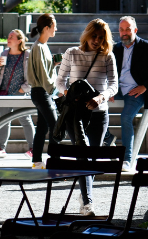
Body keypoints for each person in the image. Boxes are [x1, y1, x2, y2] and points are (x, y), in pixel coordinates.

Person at [55, 19, 119, 217]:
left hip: (99, 113)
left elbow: (114, 85)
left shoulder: (107, 56)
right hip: (75, 115)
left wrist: (100, 98)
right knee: (82, 156)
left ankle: (84, 197)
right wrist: (69, 94)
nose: (97, 40)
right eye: (94, 36)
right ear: (87, 34)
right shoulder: (71, 53)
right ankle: (88, 201)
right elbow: (59, 81)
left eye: (101, 37)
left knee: (91, 157)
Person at [101, 16, 148, 172]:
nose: (124, 33)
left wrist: (144, 87)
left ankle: (126, 160)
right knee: (92, 105)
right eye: (122, 29)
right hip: (117, 89)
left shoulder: (147, 47)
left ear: (135, 30)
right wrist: (108, 89)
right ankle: (108, 138)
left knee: (126, 117)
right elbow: (106, 72)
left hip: (136, 90)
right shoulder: (115, 48)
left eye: (128, 29)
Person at [0, 29, 36, 159]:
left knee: (25, 120)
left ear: (19, 40)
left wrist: (22, 91)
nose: (8, 38)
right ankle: (1, 148)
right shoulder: (5, 53)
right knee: (4, 121)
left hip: (19, 93)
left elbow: (32, 77)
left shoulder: (27, 55)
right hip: (4, 93)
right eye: (8, 36)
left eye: (12, 37)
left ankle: (33, 149)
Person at [25, 14, 59, 170]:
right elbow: (44, 75)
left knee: (43, 127)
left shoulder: (42, 46)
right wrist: (57, 90)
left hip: (41, 92)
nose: (56, 29)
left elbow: (45, 71)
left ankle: (37, 162)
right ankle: (54, 161)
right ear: (47, 27)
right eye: (54, 26)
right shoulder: (38, 47)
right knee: (55, 126)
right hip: (42, 92)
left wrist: (55, 62)